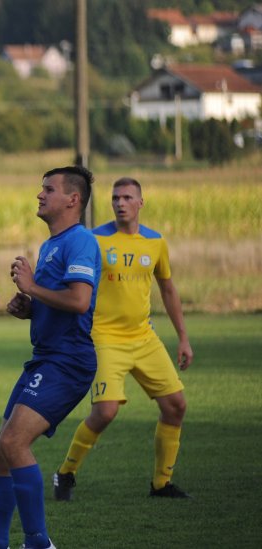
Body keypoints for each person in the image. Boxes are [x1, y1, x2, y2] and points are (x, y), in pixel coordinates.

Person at [53, 177, 194, 501]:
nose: (120, 203)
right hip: (104, 337)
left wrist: (183, 338)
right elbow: (72, 285)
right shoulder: (94, 240)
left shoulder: (155, 242)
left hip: (144, 337)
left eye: (127, 197)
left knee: (176, 406)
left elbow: (168, 290)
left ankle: (161, 484)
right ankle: (65, 473)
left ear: (140, 203)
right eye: (115, 197)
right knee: (105, 412)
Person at [0, 166, 101, 549]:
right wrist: (30, 307)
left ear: (73, 199)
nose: (39, 195)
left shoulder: (80, 242)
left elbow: (81, 302)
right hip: (46, 357)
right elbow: (61, 304)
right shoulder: (51, 245)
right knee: (1, 448)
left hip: (68, 361)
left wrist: (31, 286)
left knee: (14, 442)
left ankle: (38, 542)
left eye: (48, 189)